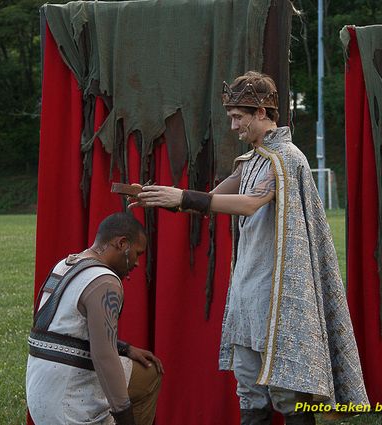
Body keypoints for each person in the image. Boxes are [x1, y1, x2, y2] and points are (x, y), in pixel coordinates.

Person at [130, 71, 368, 425]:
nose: (233, 126)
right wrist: (163, 197)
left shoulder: (285, 158)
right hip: (248, 293)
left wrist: (183, 197)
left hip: (278, 295)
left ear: (261, 112)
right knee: (250, 389)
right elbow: (210, 200)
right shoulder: (254, 160)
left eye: (238, 117)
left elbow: (249, 204)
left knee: (288, 391)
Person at [26, 212, 163, 425]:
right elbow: (104, 356)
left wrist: (125, 348)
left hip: (39, 394)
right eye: (137, 253)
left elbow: (63, 331)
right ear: (122, 243)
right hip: (68, 406)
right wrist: (125, 417)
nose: (137, 263)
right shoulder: (105, 281)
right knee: (150, 374)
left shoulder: (65, 264)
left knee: (140, 370)